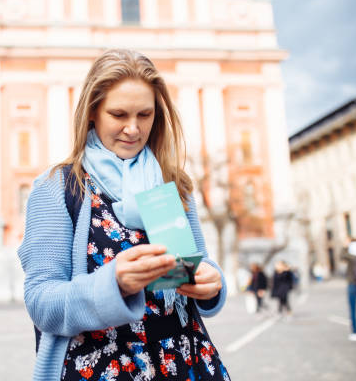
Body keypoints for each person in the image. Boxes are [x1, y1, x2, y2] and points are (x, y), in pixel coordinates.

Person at [18, 49, 229, 380]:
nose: (133, 129)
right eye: (118, 114)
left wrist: (211, 283)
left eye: (145, 115)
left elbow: (194, 267)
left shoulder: (172, 183)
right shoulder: (56, 188)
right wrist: (112, 284)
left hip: (187, 361)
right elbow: (42, 302)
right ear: (92, 112)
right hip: (103, 368)